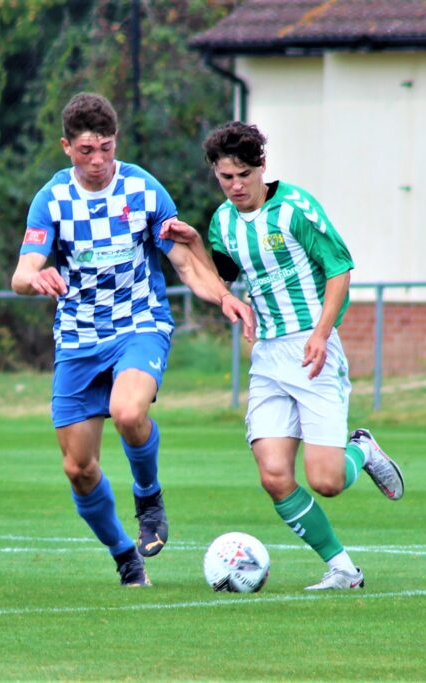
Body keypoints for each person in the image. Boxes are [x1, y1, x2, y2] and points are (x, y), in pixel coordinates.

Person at [12, 94, 254, 588]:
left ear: (115, 141)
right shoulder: (52, 199)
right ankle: (126, 557)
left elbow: (184, 261)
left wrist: (222, 297)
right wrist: (36, 279)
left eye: (105, 147)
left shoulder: (143, 189)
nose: (97, 160)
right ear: (66, 147)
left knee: (127, 412)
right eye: (85, 150)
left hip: (138, 325)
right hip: (78, 338)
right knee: (78, 468)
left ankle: (149, 496)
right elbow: (22, 272)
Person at [160, 121, 405, 591]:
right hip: (268, 357)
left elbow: (340, 270)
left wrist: (322, 331)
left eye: (243, 176)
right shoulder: (223, 222)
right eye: (225, 178)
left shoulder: (294, 208)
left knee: (327, 481)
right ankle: (343, 569)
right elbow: (224, 276)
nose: (235, 187)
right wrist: (192, 243)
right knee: (274, 476)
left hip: (312, 350)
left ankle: (363, 449)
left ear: (262, 168)